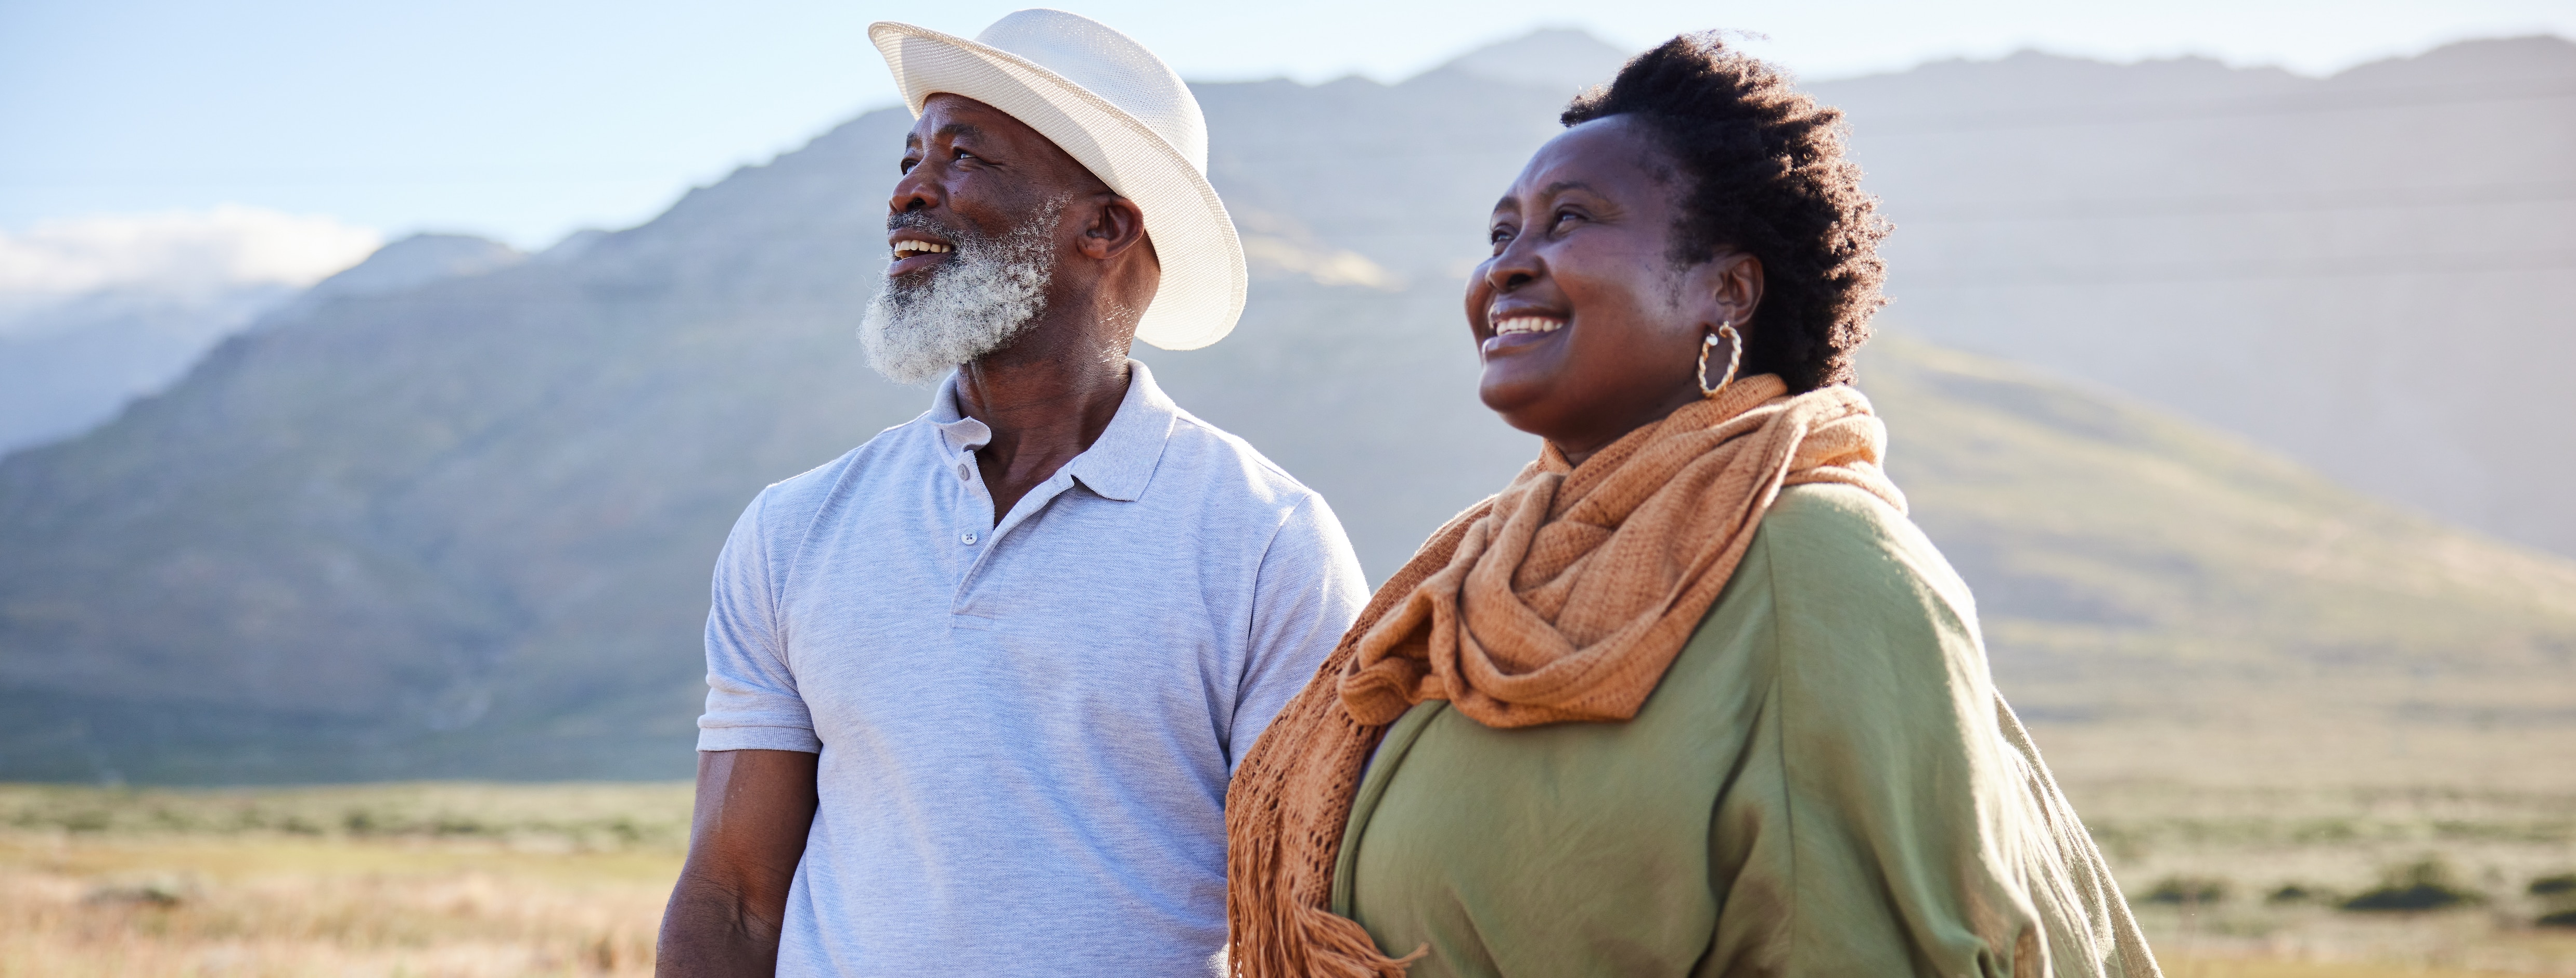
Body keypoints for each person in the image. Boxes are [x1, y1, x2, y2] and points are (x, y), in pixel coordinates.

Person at [1226, 34, 2161, 978]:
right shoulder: (1481, 570)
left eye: (1569, 219)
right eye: (1501, 234)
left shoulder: (1816, 569)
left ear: (1728, 290)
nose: (1506, 267)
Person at [655, 10, 1367, 976]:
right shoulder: (796, 530)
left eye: (964, 157)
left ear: (1104, 226)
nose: (909, 191)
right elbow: (732, 901)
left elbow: (1307, 908)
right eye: (910, 158)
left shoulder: (1266, 541)